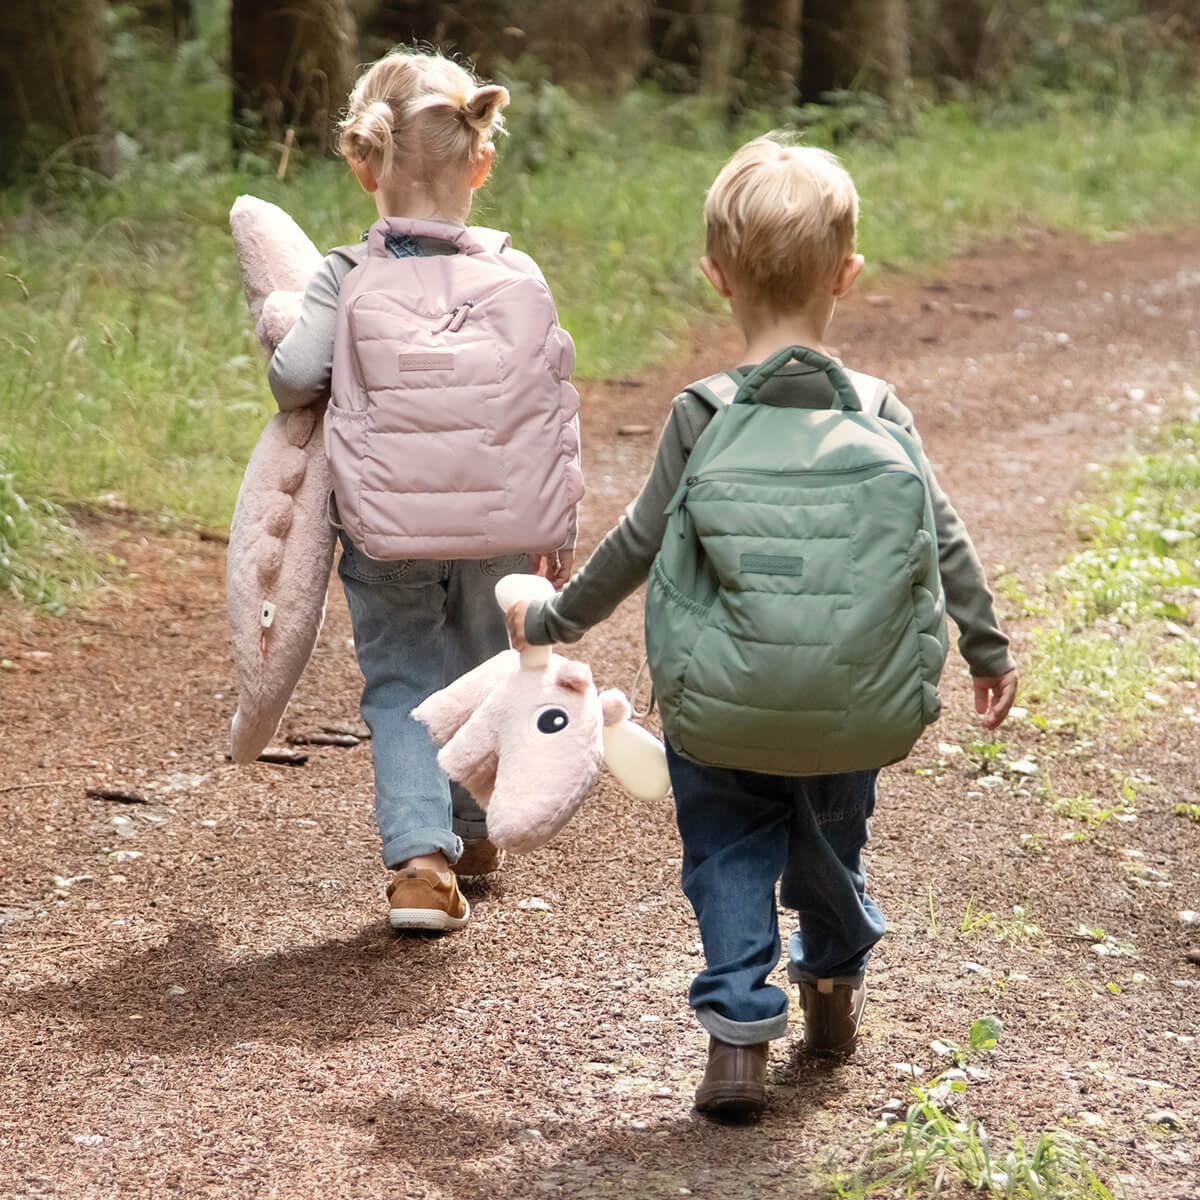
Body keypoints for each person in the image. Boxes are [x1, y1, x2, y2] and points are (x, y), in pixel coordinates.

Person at [505, 134, 1018, 1116]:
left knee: (729, 852)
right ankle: (832, 987)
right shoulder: (880, 409)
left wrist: (556, 617)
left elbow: (639, 541)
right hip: (852, 702)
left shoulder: (703, 413)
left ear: (716, 276)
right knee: (828, 845)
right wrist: (984, 646)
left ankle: (738, 1039)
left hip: (721, 705)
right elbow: (942, 534)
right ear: (848, 274)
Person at [268, 49, 577, 933]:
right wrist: (556, 525)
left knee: (404, 677)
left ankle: (420, 860)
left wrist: (285, 324)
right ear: (481, 161)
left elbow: (295, 379)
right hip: (500, 526)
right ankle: (473, 831)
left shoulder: (345, 275)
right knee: (485, 665)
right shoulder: (518, 274)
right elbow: (549, 407)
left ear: (363, 164)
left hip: (385, 527)